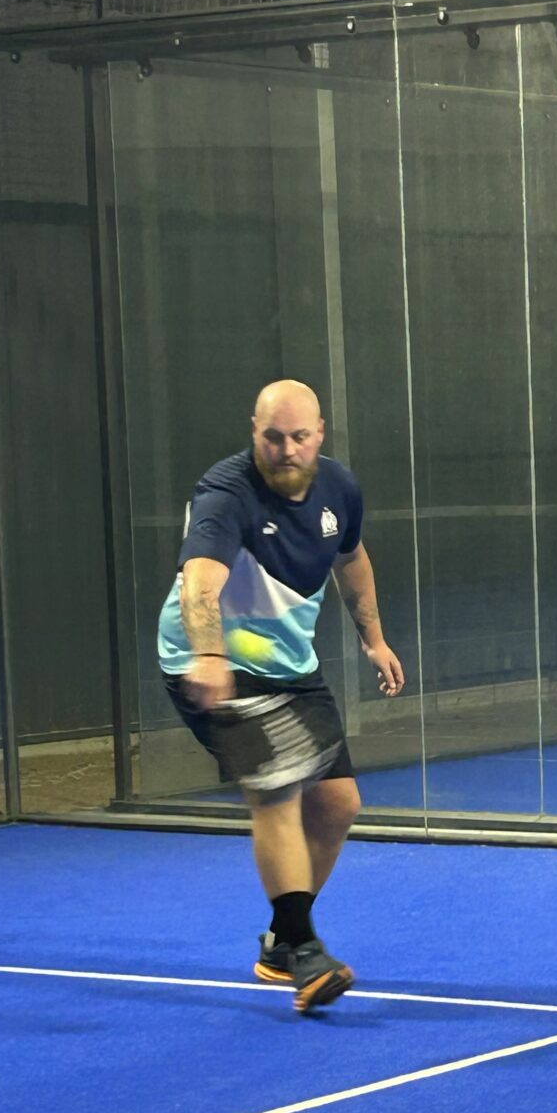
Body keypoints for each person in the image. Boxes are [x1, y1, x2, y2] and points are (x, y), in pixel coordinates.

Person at [158, 380, 405, 1012]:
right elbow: (199, 586)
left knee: (339, 804)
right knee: (276, 790)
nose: (287, 449)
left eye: (299, 437)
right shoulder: (225, 492)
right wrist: (209, 656)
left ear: (319, 434)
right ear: (254, 433)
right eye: (273, 437)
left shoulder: (339, 487)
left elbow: (352, 560)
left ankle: (280, 943)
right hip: (215, 663)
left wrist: (374, 640)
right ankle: (307, 955)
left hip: (291, 664)